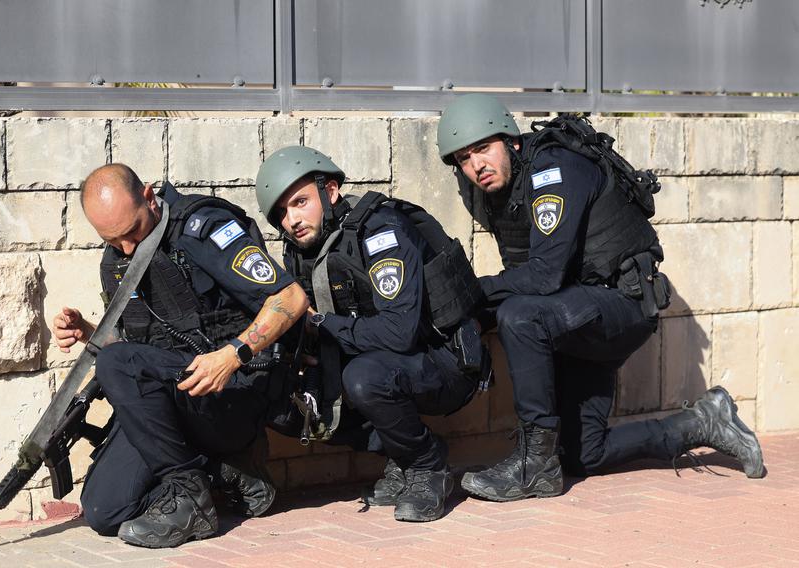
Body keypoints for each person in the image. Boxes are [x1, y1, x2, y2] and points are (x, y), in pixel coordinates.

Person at [435, 93, 764, 503]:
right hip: (576, 313)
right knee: (584, 454)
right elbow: (527, 278)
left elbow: (542, 277)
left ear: (512, 142)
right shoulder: (501, 191)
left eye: (483, 148)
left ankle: (534, 465)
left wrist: (469, 295)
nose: (476, 165)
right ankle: (702, 423)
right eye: (465, 159)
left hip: (620, 306)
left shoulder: (553, 169)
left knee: (519, 314)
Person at [52, 163, 308, 547]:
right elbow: (135, 354)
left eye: (131, 232)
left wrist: (233, 354)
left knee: (115, 364)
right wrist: (89, 333)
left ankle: (190, 499)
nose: (125, 247)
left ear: (150, 198)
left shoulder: (202, 228)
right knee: (105, 510)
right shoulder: (119, 258)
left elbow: (292, 297)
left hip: (233, 396)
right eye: (112, 240)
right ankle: (225, 473)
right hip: (178, 401)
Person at [253, 146, 481, 522]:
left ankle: (427, 465)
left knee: (362, 377)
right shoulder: (303, 248)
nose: (291, 219)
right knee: (283, 388)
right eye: (281, 213)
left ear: (329, 192)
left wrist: (322, 325)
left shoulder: (381, 230)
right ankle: (401, 457)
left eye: (299, 202)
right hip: (387, 359)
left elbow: (399, 332)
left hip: (444, 363)